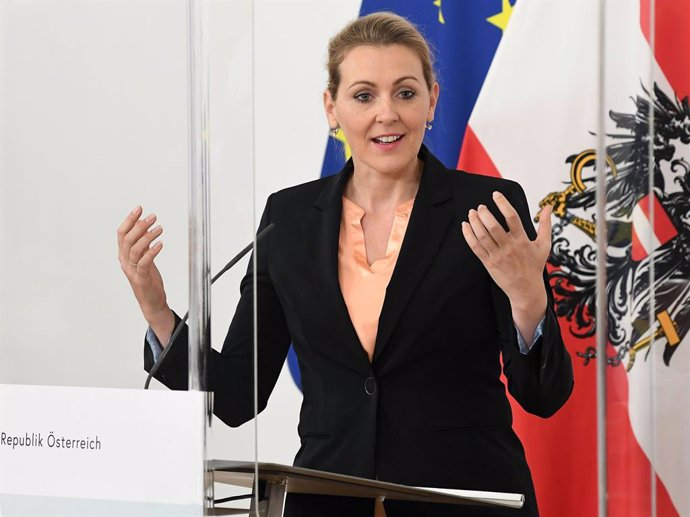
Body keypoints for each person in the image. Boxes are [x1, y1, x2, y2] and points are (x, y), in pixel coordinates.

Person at [117, 12, 573, 517]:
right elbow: (235, 398)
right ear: (331, 107)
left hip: (464, 500)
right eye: (363, 95)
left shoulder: (488, 209)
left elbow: (544, 396)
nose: (387, 114)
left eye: (405, 92)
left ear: (432, 101)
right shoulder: (287, 221)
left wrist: (528, 296)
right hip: (327, 503)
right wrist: (157, 309)